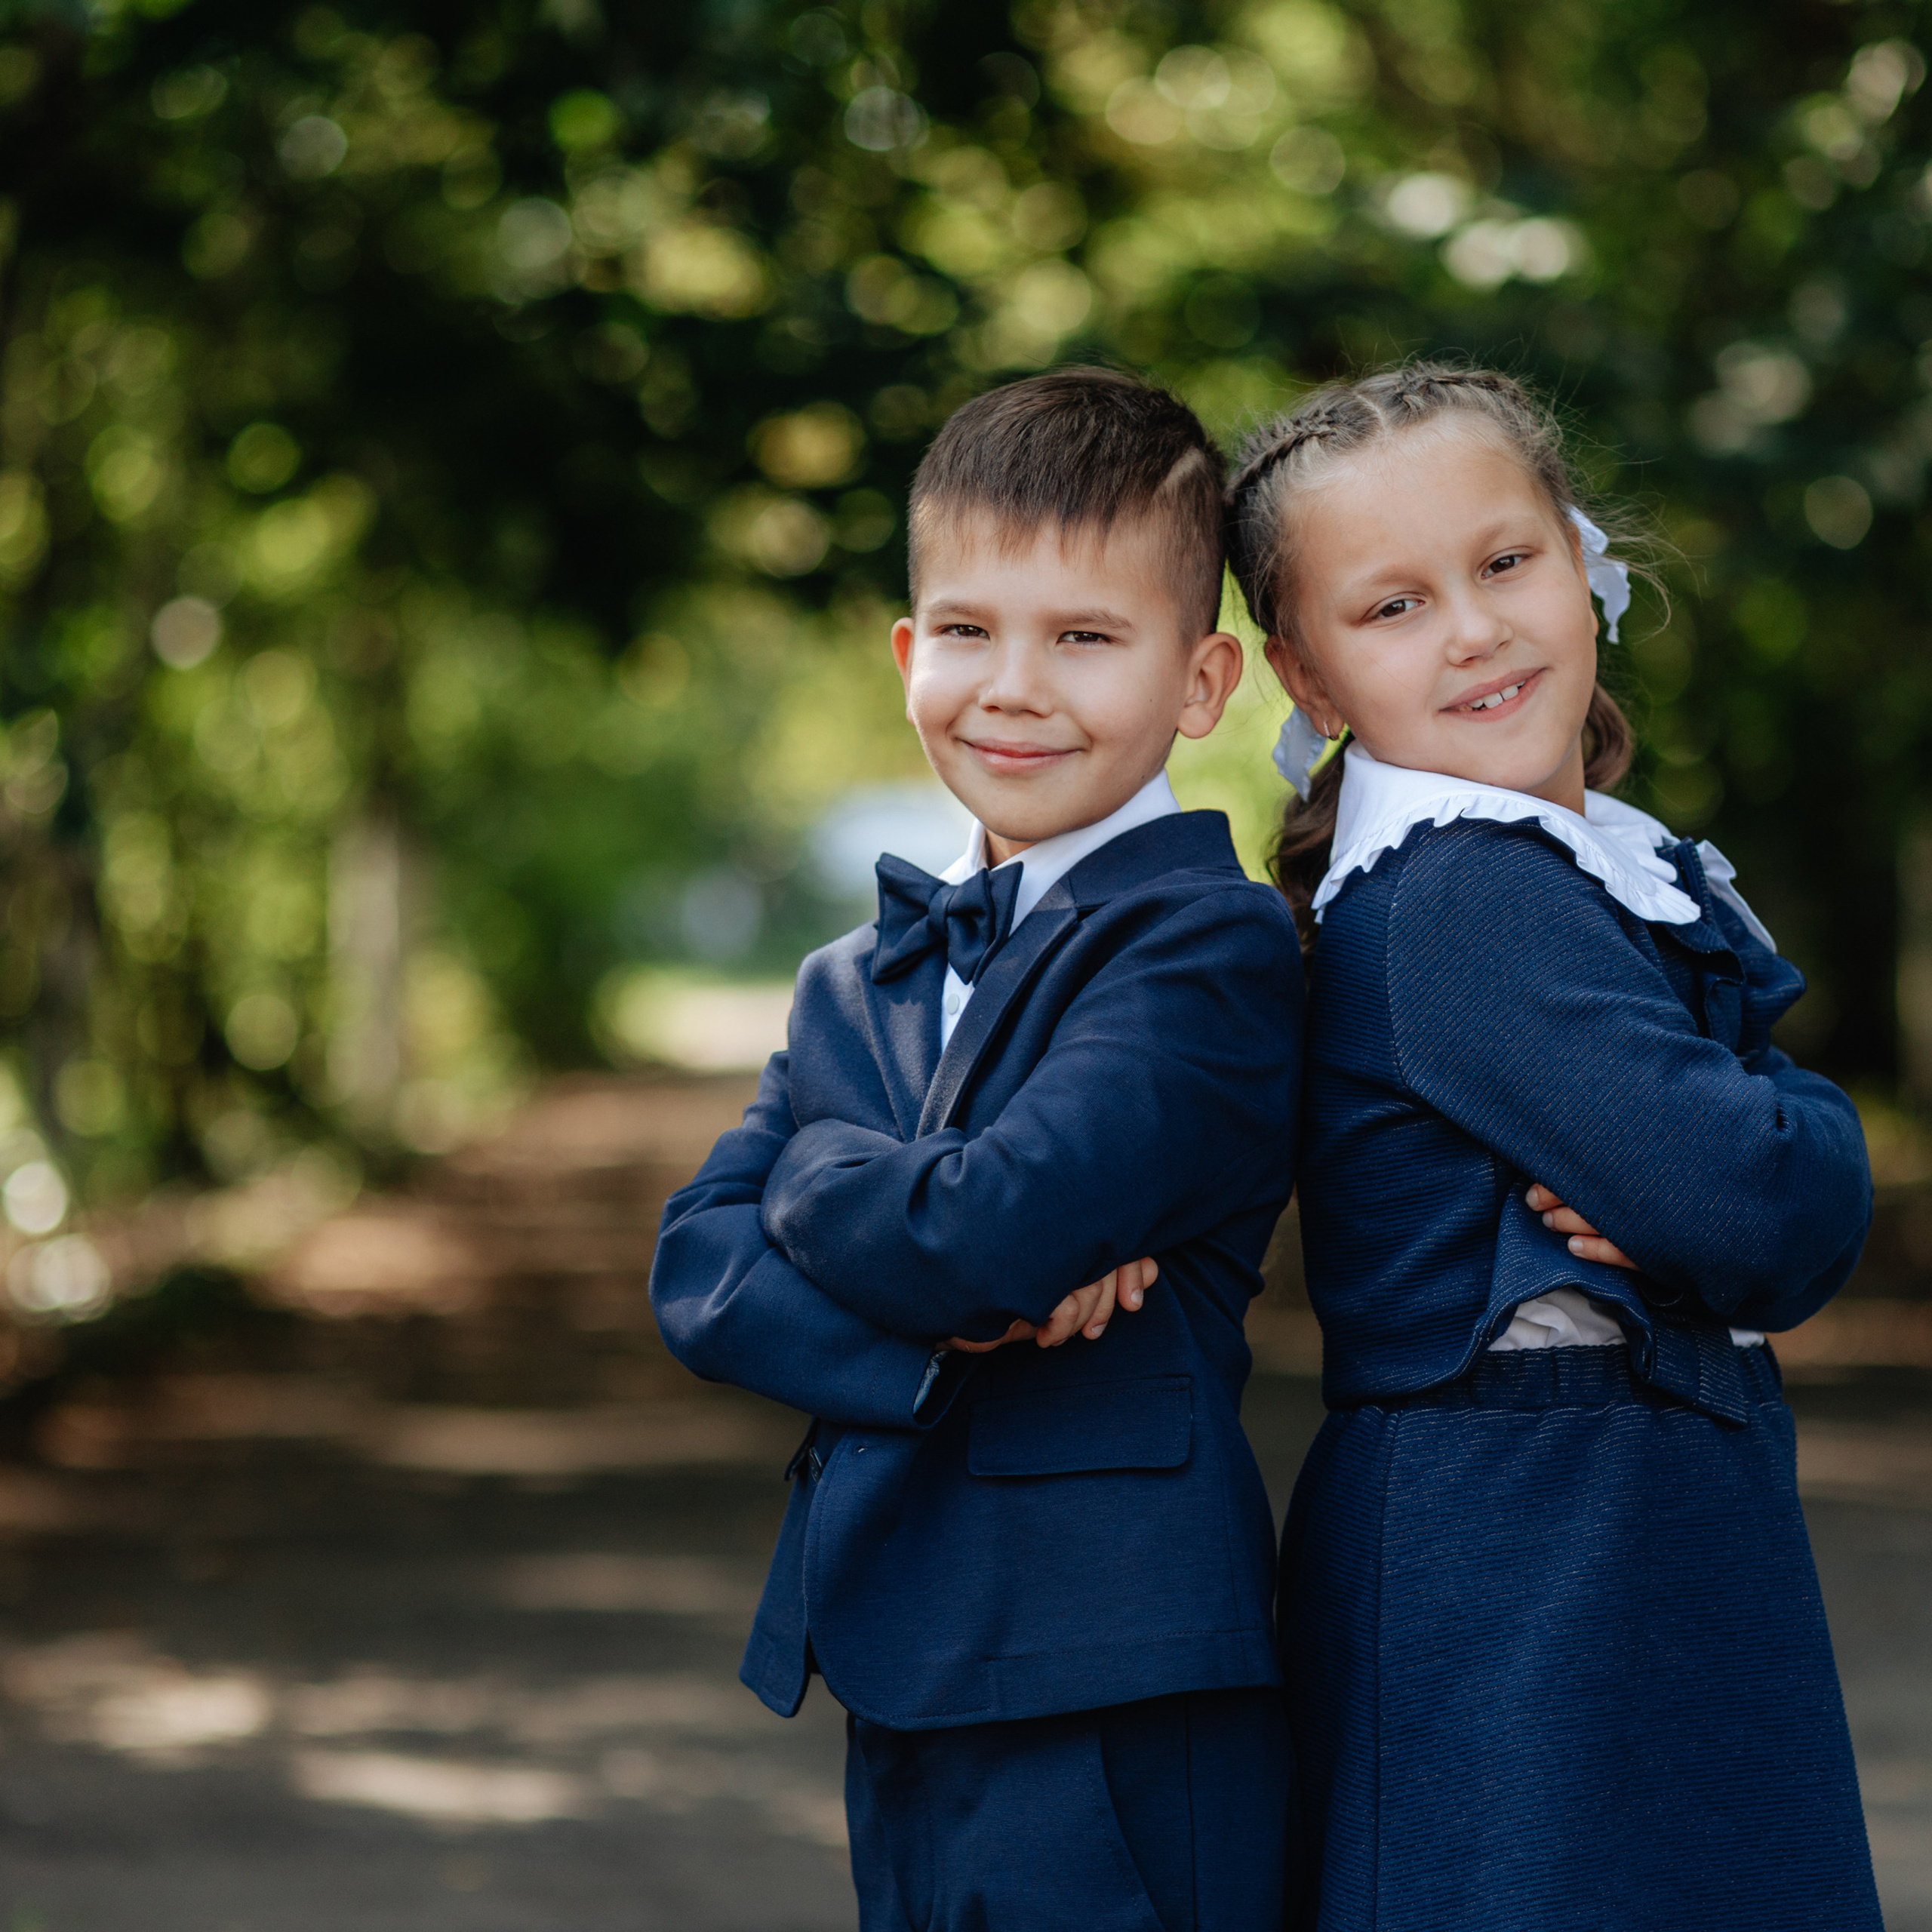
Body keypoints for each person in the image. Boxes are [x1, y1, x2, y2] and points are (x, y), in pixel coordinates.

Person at [1224, 362, 1881, 1931]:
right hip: (1525, 1566)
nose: (1470, 627)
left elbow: (1738, 1181)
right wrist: (1792, 1131)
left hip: (1613, 1528)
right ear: (1307, 682)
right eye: (1391, 606)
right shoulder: (1462, 894)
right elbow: (1757, 1206)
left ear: (1582, 562)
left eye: (1503, 561)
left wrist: (1757, 1135)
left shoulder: (1585, 866)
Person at [651, 368, 1303, 1932]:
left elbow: (987, 1234)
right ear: (905, 652)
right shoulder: (846, 975)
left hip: (1113, 1663)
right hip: (896, 1651)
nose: (1013, 684)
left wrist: (810, 1179)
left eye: (1083, 636)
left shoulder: (1206, 944)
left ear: (1200, 680)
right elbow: (695, 1270)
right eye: (966, 629)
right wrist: (930, 1322)